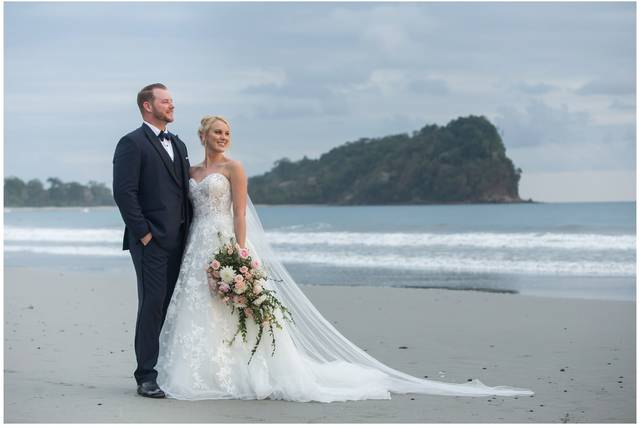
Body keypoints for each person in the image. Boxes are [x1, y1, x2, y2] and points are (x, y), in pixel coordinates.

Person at [155, 115, 534, 402]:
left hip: (227, 244)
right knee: (201, 307)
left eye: (227, 132)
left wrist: (239, 253)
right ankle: (205, 371)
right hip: (197, 247)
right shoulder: (191, 171)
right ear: (202, 136)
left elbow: (239, 213)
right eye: (217, 132)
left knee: (240, 308)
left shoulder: (233, 169)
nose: (223, 137)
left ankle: (245, 373)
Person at [112, 83, 192, 398]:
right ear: (148, 105)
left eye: (172, 100)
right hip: (151, 242)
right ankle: (146, 375)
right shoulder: (131, 143)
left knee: (172, 305)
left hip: (182, 240)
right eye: (166, 101)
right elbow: (124, 193)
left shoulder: (180, 143)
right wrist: (144, 233)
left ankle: (167, 369)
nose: (172, 105)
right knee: (152, 305)